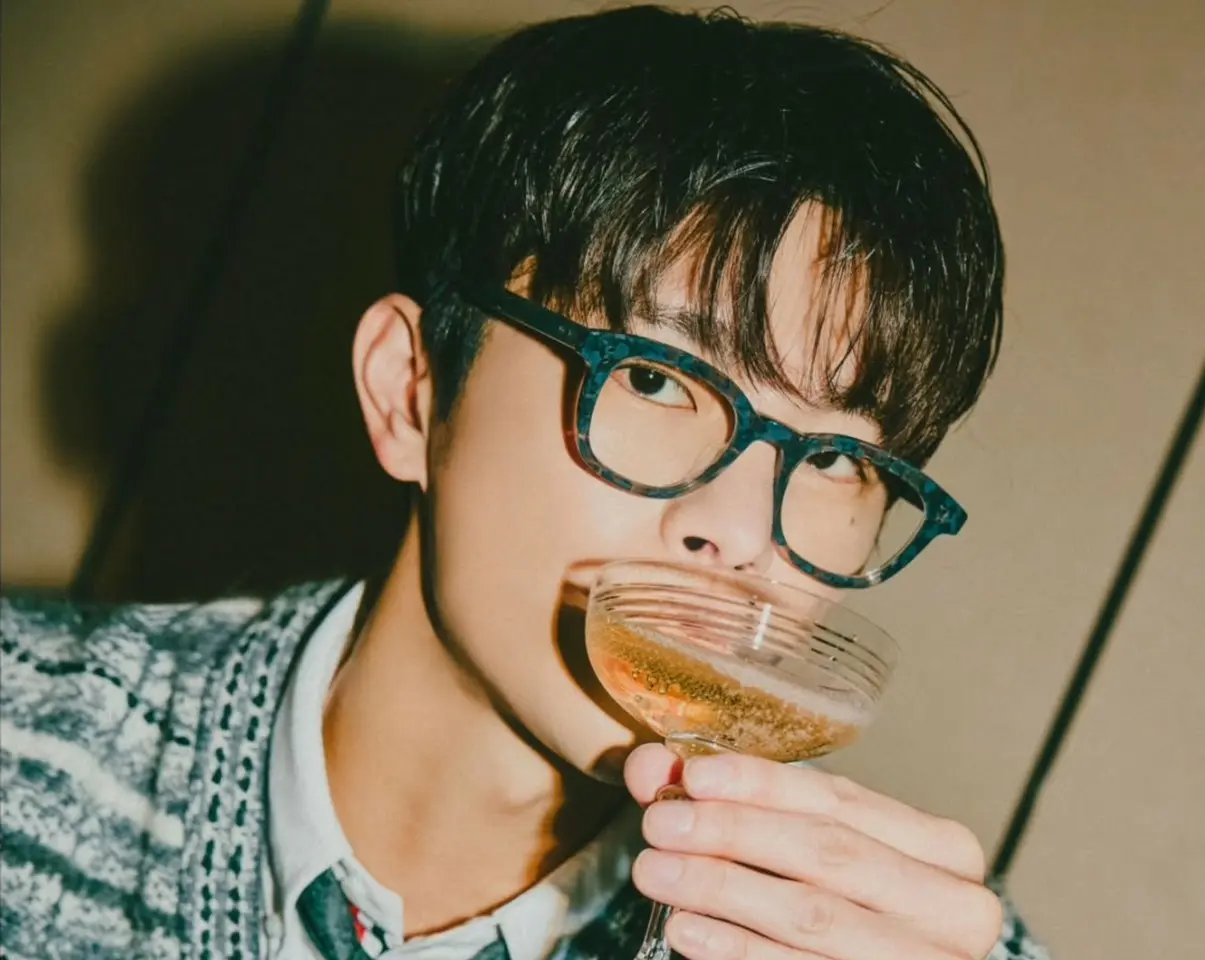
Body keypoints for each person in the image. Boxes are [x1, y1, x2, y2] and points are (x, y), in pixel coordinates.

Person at [0, 6, 1050, 960]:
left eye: (832, 458)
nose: (741, 535)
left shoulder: (905, 942)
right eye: (654, 379)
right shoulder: (25, 747)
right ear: (410, 391)